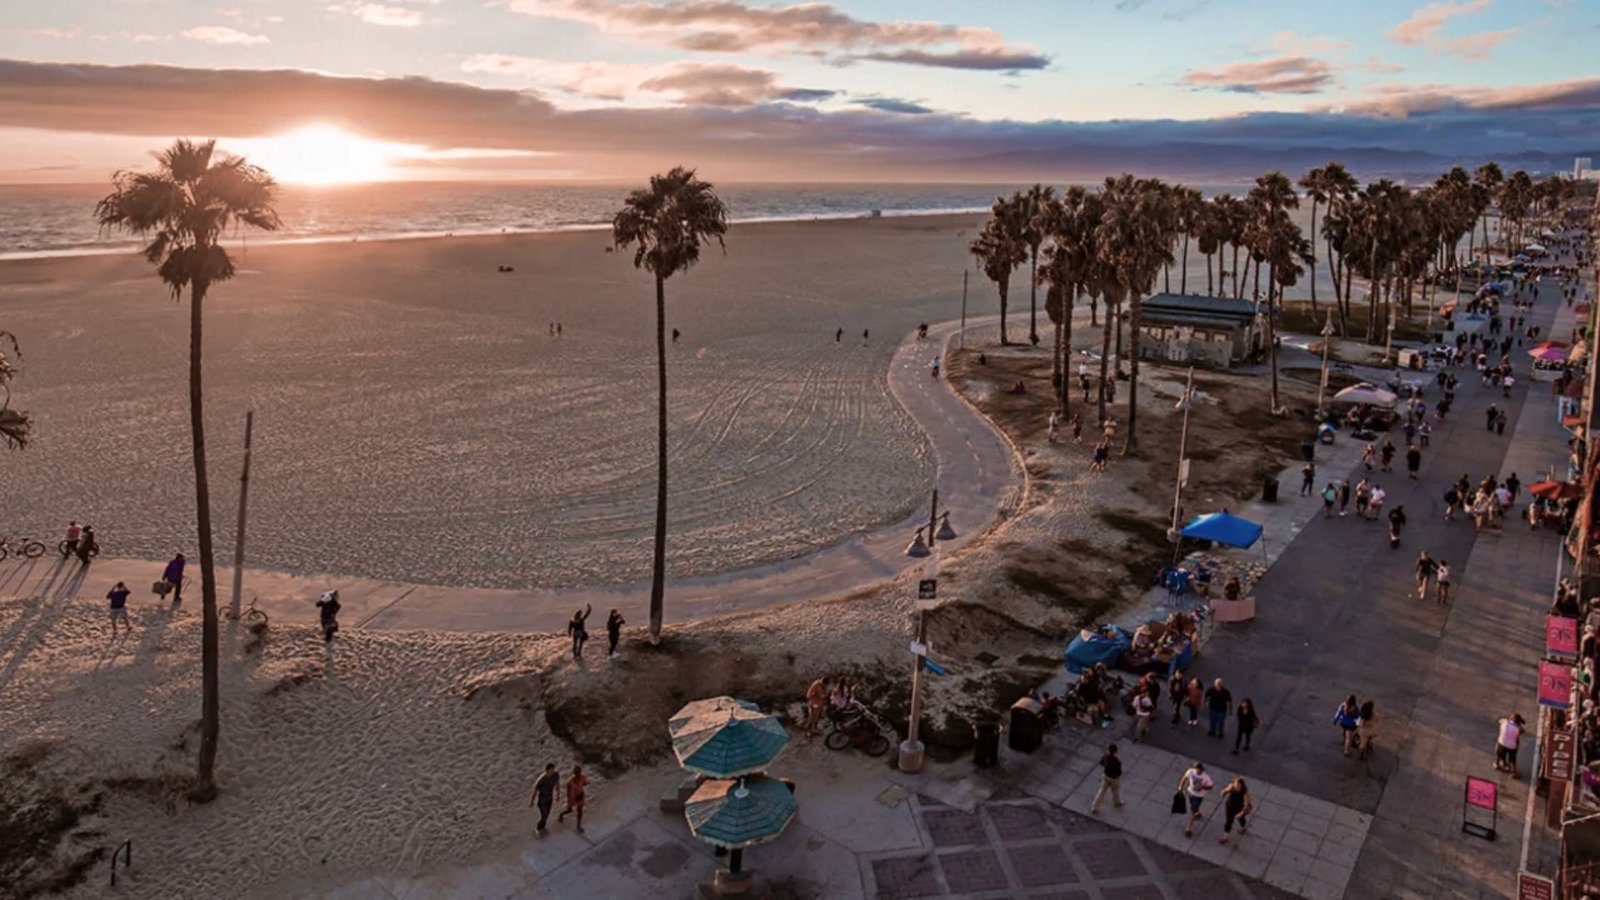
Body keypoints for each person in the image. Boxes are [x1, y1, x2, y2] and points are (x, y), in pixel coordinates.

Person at [1178, 761, 1214, 837]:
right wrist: (1181, 786)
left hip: (1199, 796)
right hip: (1190, 793)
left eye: (1199, 770)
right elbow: (1185, 777)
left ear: (1202, 769)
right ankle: (1198, 813)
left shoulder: (1205, 777)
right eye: (1196, 769)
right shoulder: (1191, 771)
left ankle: (1189, 828)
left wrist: (1203, 787)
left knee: (1192, 810)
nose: (1197, 771)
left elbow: (1211, 786)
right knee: (1193, 806)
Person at [1089, 743, 1124, 813]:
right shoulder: (1117, 762)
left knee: (1101, 791)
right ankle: (1117, 802)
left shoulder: (1106, 756)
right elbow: (1119, 773)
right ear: (1115, 751)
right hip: (1114, 778)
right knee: (1115, 791)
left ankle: (1094, 807)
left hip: (1106, 776)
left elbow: (1101, 763)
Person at [1218, 777, 1253, 844]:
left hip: (1239, 808)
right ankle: (1225, 836)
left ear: (1242, 785)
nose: (1237, 786)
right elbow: (1222, 793)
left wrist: (1241, 813)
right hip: (1229, 806)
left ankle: (1243, 828)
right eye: (1235, 784)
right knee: (1228, 821)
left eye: (1238, 785)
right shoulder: (1232, 786)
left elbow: (1246, 804)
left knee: (1241, 819)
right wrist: (1227, 790)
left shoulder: (1244, 792)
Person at [531, 763, 560, 835]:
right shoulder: (541, 780)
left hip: (550, 797)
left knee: (547, 815)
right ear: (547, 771)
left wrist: (558, 795)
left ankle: (543, 828)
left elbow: (557, 784)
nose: (553, 771)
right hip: (542, 799)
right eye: (551, 770)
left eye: (553, 769)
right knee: (544, 815)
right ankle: (537, 829)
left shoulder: (555, 775)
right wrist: (532, 801)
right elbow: (535, 791)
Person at [558, 764, 588, 832]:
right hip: (572, 798)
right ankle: (561, 814)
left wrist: (586, 783)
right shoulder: (569, 782)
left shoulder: (583, 777)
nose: (578, 775)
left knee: (580, 811)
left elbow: (584, 783)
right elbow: (568, 793)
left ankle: (578, 825)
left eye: (579, 773)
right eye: (576, 774)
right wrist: (570, 800)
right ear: (574, 773)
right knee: (569, 810)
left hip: (580, 795)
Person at [1496, 713, 1526, 779]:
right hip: (1512, 746)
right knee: (1512, 759)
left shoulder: (1504, 722)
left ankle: (1497, 764)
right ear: (1518, 722)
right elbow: (1522, 732)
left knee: (1499, 753)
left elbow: (1499, 720)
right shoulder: (1518, 728)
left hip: (1501, 743)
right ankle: (1513, 772)